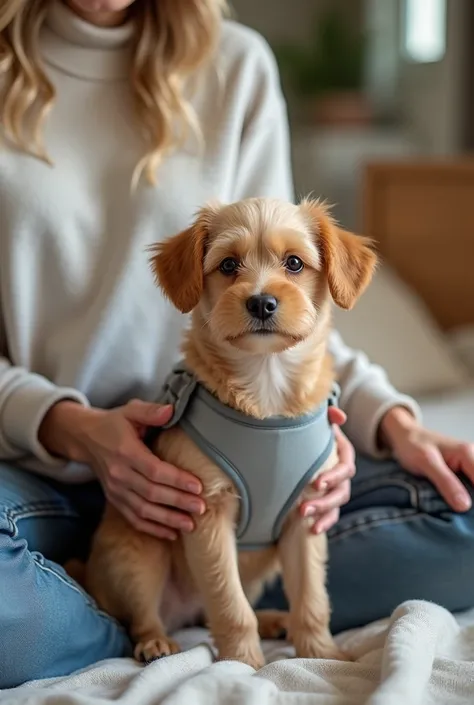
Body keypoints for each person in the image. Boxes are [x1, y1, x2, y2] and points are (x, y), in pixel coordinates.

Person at [0, 0, 473, 689]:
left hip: (242, 439)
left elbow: (283, 304)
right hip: (34, 471)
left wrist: (390, 418)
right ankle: (133, 619)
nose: (250, 280)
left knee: (464, 511)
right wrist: (70, 427)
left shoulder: (237, 64)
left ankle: (179, 604)